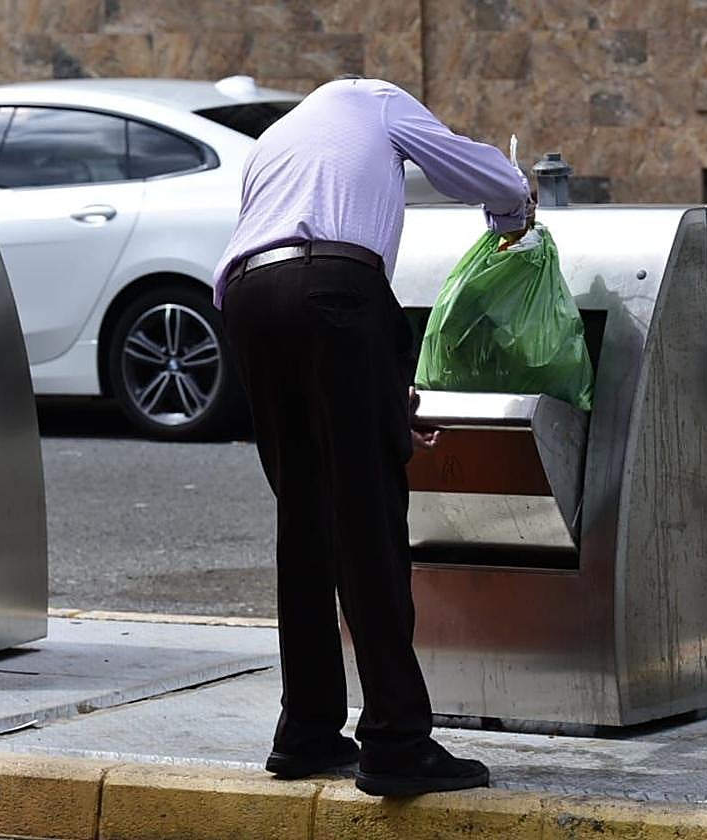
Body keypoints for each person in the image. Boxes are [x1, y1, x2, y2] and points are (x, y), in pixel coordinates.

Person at [212, 76, 531, 797]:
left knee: (306, 523)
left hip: (251, 302)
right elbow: (473, 167)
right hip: (337, 292)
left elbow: (283, 264)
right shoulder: (373, 99)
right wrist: (514, 208)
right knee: (367, 523)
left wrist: (382, 392)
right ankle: (395, 741)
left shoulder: (277, 141)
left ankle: (308, 731)